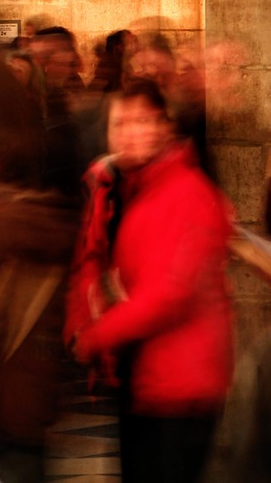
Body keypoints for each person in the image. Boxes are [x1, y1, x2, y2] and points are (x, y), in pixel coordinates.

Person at [67, 80, 233, 483]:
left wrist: (96, 334)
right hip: (143, 377)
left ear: (164, 127)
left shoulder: (187, 192)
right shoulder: (127, 188)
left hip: (180, 382)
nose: (130, 132)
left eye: (143, 121)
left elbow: (169, 292)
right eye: (120, 122)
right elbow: (97, 262)